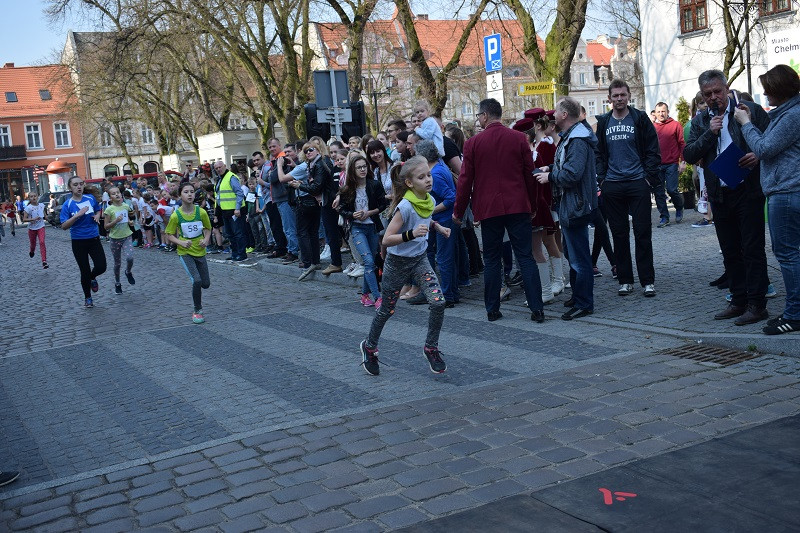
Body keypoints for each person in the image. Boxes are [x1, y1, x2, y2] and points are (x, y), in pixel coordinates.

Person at [684, 69, 770, 326]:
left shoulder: (749, 110)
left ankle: (757, 304)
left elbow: (771, 142)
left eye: (717, 92)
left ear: (726, 88)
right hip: (720, 193)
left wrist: (758, 155)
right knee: (730, 250)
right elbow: (689, 155)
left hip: (749, 189)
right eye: (707, 94)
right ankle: (738, 300)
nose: (713, 98)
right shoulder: (701, 120)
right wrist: (710, 133)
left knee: (752, 249)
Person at [453, 98, 545, 323]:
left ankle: (492, 309)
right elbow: (529, 175)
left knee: (493, 259)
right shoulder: (518, 139)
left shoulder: (473, 143)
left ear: (484, 116)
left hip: (489, 208)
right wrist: (532, 205)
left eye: (478, 116)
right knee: (525, 256)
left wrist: (459, 211)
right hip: (518, 205)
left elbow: (465, 181)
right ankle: (537, 308)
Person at [359, 156, 451, 376]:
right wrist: (411, 234)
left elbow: (426, 218)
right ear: (409, 183)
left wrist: (438, 228)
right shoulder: (406, 206)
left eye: (428, 175)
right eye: (421, 177)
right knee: (387, 310)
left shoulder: (427, 199)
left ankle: (431, 347)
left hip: (420, 261)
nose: (428, 180)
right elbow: (387, 239)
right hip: (397, 264)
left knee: (438, 302)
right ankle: (369, 347)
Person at [733, 64, 800, 334]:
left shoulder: (792, 115)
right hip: (786, 191)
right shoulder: (785, 113)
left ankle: (795, 315)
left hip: (786, 193)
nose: (764, 93)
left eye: (768, 89)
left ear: (779, 90)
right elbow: (769, 148)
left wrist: (746, 123)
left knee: (788, 256)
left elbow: (764, 147)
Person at [595, 79, 661, 298]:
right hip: (612, 185)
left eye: (623, 95)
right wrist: (602, 179)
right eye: (615, 96)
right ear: (609, 99)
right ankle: (625, 280)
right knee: (619, 234)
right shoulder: (604, 122)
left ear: (629, 96)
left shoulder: (639, 119)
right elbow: (598, 153)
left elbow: (653, 148)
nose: (619, 99)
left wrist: (648, 178)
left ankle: (647, 281)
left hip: (637, 182)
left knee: (643, 232)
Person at [536, 97, 598, 320]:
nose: (553, 115)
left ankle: (584, 302)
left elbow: (572, 174)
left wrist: (549, 176)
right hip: (571, 203)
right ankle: (578, 296)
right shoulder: (571, 137)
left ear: (564, 115)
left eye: (557, 111)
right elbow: (567, 165)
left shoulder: (578, 140)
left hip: (576, 204)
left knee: (579, 257)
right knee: (573, 254)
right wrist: (551, 166)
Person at [337, 153, 388, 306]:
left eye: (364, 166)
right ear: (352, 170)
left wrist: (369, 213)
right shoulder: (347, 189)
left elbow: (382, 204)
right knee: (368, 261)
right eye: (358, 167)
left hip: (372, 226)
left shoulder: (374, 184)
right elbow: (341, 209)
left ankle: (365, 295)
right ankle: (378, 297)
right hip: (357, 228)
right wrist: (353, 215)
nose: (362, 170)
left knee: (370, 264)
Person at [416, 140, 460, 307]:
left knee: (444, 259)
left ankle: (448, 296)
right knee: (446, 258)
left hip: (444, 220)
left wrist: (430, 211)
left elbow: (451, 198)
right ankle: (451, 293)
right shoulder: (439, 167)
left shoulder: (436, 173)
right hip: (444, 219)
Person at [165, 182, 212, 324]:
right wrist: (181, 242)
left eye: (192, 191)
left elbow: (208, 228)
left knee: (205, 284)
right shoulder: (176, 215)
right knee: (196, 280)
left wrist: (206, 239)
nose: (190, 194)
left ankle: (198, 293)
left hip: (200, 250)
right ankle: (197, 310)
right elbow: (169, 234)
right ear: (180, 195)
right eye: (186, 192)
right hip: (185, 252)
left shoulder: (201, 212)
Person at [60, 176, 107, 308]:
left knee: (101, 266)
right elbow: (64, 226)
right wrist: (77, 215)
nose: (79, 187)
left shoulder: (90, 198)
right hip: (78, 241)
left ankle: (92, 277)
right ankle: (88, 297)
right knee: (84, 270)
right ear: (70, 188)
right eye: (75, 185)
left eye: (81, 184)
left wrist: (98, 215)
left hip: (94, 239)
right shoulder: (67, 205)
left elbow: (98, 209)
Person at [653, 102, 686, 227]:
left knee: (672, 190)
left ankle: (679, 206)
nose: (661, 114)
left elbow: (682, 144)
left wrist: (683, 161)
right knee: (659, 192)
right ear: (655, 113)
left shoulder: (675, 125)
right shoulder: (652, 128)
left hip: (671, 163)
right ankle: (664, 217)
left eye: (663, 111)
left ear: (667, 112)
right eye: (659, 111)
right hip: (657, 165)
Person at [103, 186, 136, 294]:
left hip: (127, 236)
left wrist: (131, 222)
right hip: (115, 238)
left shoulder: (126, 206)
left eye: (118, 192)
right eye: (113, 193)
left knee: (130, 257)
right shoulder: (109, 210)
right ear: (110, 197)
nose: (117, 194)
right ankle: (117, 283)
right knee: (117, 263)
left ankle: (128, 271)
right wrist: (116, 221)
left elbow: (131, 216)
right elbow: (106, 226)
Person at [213, 160, 247, 261]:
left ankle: (241, 254)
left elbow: (239, 193)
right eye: (216, 168)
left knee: (238, 233)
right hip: (225, 211)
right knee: (230, 234)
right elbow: (218, 198)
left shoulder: (231, 177)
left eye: (220, 167)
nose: (218, 169)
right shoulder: (219, 180)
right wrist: (216, 214)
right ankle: (235, 253)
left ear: (225, 166)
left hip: (235, 211)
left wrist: (237, 208)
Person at [23, 192, 48, 269]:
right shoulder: (28, 208)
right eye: (31, 196)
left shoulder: (41, 206)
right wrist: (32, 219)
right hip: (32, 228)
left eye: (35, 196)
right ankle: (32, 251)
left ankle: (44, 261)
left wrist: (49, 218)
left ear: (37, 197)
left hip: (41, 227)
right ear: (29, 198)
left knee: (42, 242)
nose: (33, 198)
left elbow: (44, 216)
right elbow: (24, 219)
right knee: (33, 244)